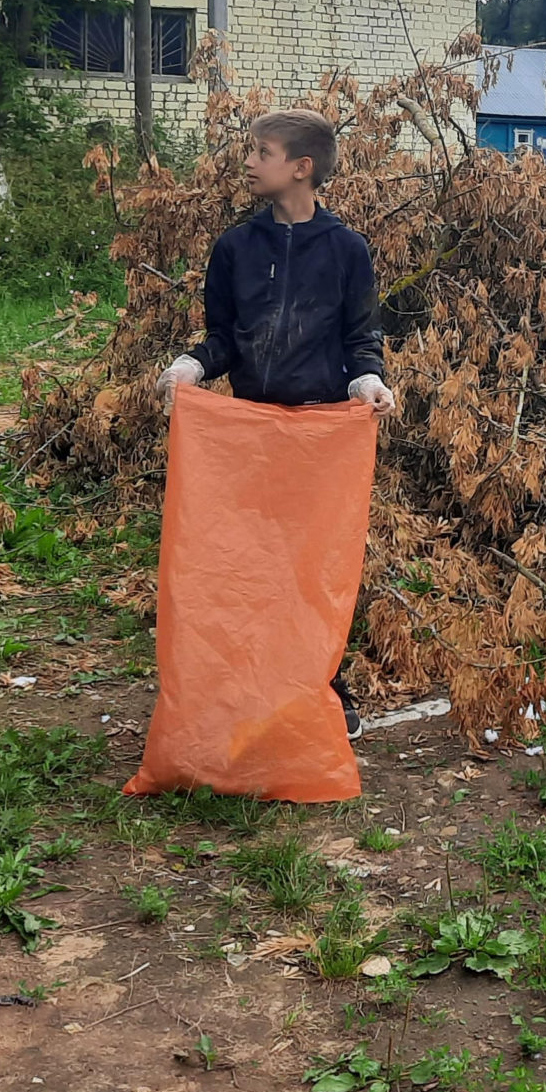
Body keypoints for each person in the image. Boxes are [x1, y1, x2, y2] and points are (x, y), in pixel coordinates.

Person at [159, 108, 394, 738]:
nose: (249, 161)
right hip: (249, 435)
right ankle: (245, 688)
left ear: (301, 167)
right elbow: (224, 340)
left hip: (320, 437)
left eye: (261, 152)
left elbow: (360, 338)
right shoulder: (235, 248)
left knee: (313, 567)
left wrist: (365, 379)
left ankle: (323, 686)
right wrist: (193, 365)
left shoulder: (347, 250)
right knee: (247, 565)